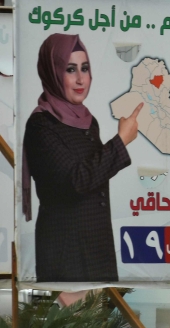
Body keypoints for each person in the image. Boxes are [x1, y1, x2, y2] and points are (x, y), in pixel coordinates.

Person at [22, 34, 143, 282]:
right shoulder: (41, 125)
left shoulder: (89, 121)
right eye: (70, 69)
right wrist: (120, 142)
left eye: (85, 69)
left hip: (97, 250)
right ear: (53, 73)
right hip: (66, 256)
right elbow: (75, 182)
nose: (80, 79)